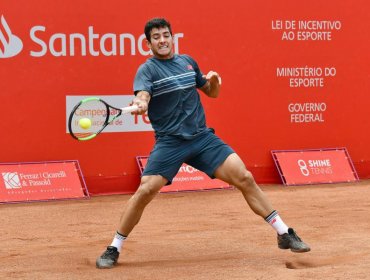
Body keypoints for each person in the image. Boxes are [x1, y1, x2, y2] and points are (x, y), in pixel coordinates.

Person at [96, 17, 310, 269]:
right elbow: (143, 96)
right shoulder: (147, 70)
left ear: (172, 37)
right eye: (156, 37)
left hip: (202, 138)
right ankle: (114, 247)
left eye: (166, 35)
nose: (162, 40)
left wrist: (214, 82)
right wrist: (141, 103)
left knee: (245, 177)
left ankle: (284, 233)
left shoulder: (187, 62)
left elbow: (211, 92)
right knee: (145, 190)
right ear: (148, 43)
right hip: (170, 143)